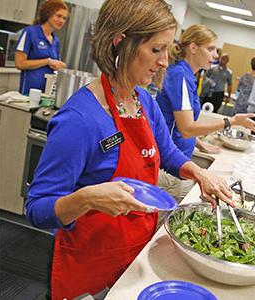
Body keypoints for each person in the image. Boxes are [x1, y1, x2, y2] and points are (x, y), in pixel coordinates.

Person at [25, 1, 235, 298]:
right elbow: (36, 209)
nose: (164, 62)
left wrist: (199, 173)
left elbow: (168, 153)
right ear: (120, 42)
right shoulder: (79, 120)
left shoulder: (144, 102)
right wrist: (86, 199)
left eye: (168, 49)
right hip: (89, 267)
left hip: (135, 255)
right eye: (156, 50)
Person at [156, 24, 255, 200]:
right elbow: (187, 127)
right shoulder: (179, 75)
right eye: (211, 49)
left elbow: (175, 123)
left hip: (180, 162)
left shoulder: (187, 75)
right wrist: (231, 121)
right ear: (193, 48)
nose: (216, 55)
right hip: (168, 166)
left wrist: (199, 144)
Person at [14, 0, 68, 95]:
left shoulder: (56, 41)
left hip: (47, 94)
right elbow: (19, 63)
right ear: (48, 14)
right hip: (28, 93)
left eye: (64, 18)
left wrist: (59, 66)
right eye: (58, 16)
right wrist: (47, 61)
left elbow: (54, 66)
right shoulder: (30, 32)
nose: (61, 21)